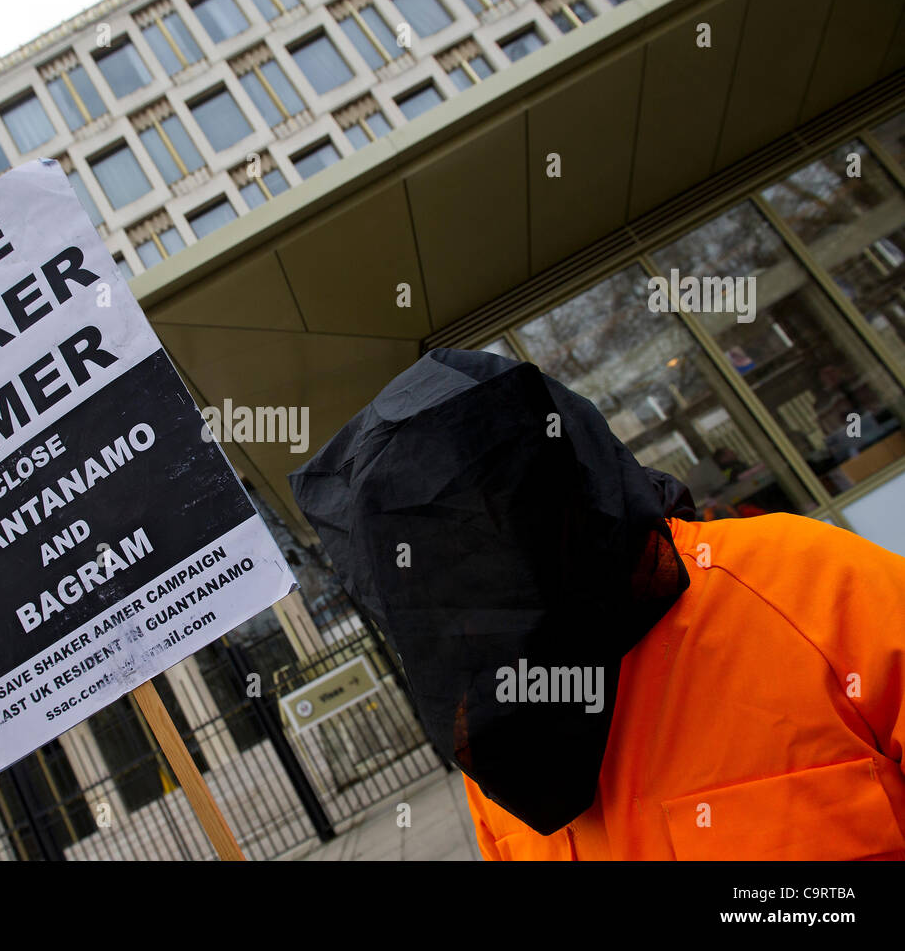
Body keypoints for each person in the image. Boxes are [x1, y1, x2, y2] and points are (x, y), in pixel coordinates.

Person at [289, 349, 905, 860]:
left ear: (556, 482)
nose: (465, 568)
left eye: (482, 522)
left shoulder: (802, 583)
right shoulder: (492, 733)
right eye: (427, 554)